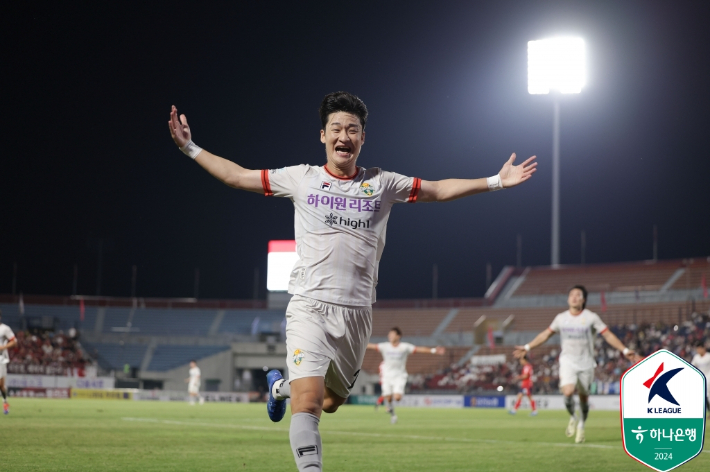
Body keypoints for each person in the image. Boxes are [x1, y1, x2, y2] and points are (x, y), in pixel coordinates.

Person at [168, 91, 537, 471]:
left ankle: (279, 387)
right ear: (323, 136)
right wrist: (190, 147)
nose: (344, 136)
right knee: (308, 404)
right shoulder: (301, 178)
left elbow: (439, 189)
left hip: (358, 313)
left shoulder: (383, 183)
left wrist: (496, 181)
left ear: (362, 138)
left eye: (353, 129)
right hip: (309, 305)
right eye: (337, 129)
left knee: (331, 402)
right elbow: (237, 176)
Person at [513, 285, 637, 444]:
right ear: (568, 298)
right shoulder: (561, 318)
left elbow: (607, 335)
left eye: (578, 295)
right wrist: (528, 347)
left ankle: (582, 425)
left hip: (586, 364)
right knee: (568, 391)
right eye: (571, 294)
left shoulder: (591, 317)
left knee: (584, 399)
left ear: (583, 300)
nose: (574, 297)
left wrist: (625, 350)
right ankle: (573, 416)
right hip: (568, 361)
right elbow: (546, 334)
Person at [366, 327, 444, 424]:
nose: (390, 336)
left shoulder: (405, 347)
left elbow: (419, 349)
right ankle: (393, 414)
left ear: (398, 336)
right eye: (389, 334)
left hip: (399, 375)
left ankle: (390, 409)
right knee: (388, 398)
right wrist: (357, 343)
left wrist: (433, 350)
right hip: (387, 375)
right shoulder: (384, 346)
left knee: (397, 398)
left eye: (392, 334)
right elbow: (371, 346)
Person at [0, 309, 17, 415]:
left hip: (1, 359)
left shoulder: (5, 329)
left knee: (1, 385)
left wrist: (3, 347)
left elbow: (14, 342)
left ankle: (5, 402)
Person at [690, 340, 710, 412]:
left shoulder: (708, 356)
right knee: (704, 395)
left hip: (709, 377)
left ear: (703, 348)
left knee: (708, 394)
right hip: (702, 378)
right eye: (697, 349)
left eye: (699, 348)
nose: (698, 350)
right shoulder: (696, 357)